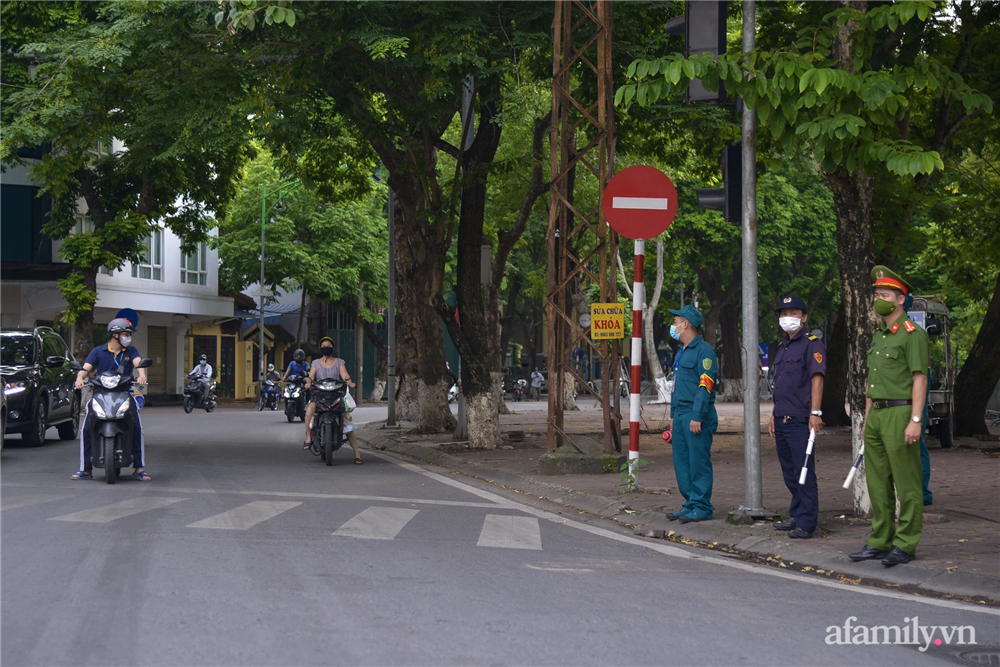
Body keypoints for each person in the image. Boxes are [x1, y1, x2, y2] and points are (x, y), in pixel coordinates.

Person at [849, 266, 929, 567]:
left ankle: (906, 543)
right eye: (876, 294)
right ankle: (880, 540)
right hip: (878, 415)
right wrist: (867, 419)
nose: (878, 299)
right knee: (878, 482)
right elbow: (872, 383)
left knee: (907, 482)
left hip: (900, 412)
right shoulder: (879, 337)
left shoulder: (912, 334)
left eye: (884, 295)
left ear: (900, 299)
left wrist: (916, 420)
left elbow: (919, 378)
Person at [768, 295, 826, 539]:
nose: (787, 318)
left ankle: (807, 521)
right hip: (781, 416)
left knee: (803, 470)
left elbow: (817, 379)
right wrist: (773, 414)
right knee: (789, 471)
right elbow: (781, 384)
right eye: (783, 314)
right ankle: (797, 512)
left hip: (801, 419)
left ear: (804, 318)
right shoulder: (783, 347)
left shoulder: (812, 344)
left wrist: (815, 412)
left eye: (793, 313)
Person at [71, 318, 150, 481]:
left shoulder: (131, 351)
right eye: (125, 334)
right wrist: (79, 379)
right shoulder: (98, 351)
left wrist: (142, 375)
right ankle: (85, 469)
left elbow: (139, 363)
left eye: (129, 334)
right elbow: (85, 369)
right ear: (115, 335)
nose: (128, 337)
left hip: (125, 393)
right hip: (100, 394)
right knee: (86, 429)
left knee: (136, 427)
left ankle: (139, 467)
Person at [665, 305, 718, 523]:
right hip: (680, 415)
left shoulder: (704, 351)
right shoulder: (682, 351)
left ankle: (702, 506)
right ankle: (690, 503)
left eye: (676, 321)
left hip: (696, 415)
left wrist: (697, 415)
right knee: (682, 463)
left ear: (685, 324)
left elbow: (705, 385)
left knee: (698, 462)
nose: (673, 325)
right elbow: (676, 385)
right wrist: (672, 415)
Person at [303, 337, 362, 464]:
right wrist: (308, 382)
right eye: (323, 345)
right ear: (321, 348)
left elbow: (345, 375)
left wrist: (350, 382)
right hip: (319, 395)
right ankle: (308, 437)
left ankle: (357, 454)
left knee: (347, 423)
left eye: (328, 345)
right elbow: (311, 377)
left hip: (336, 396)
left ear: (332, 348)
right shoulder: (316, 363)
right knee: (309, 412)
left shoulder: (339, 362)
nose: (326, 347)